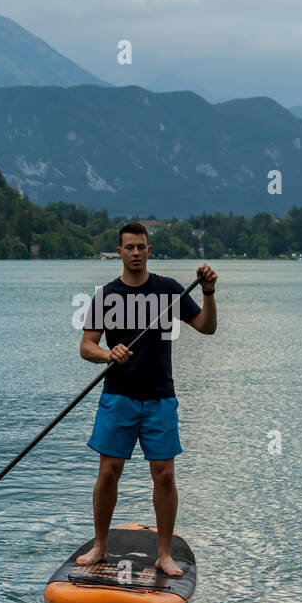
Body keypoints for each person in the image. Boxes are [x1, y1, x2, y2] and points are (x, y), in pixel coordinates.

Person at [78, 222, 217, 576]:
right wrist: (109, 354)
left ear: (149, 250)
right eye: (129, 247)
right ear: (120, 251)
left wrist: (209, 293)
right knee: (109, 473)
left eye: (141, 246)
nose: (136, 252)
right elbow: (86, 347)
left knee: (165, 476)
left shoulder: (169, 290)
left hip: (159, 398)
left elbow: (206, 326)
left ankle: (164, 554)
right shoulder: (107, 295)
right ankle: (100, 547)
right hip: (119, 397)